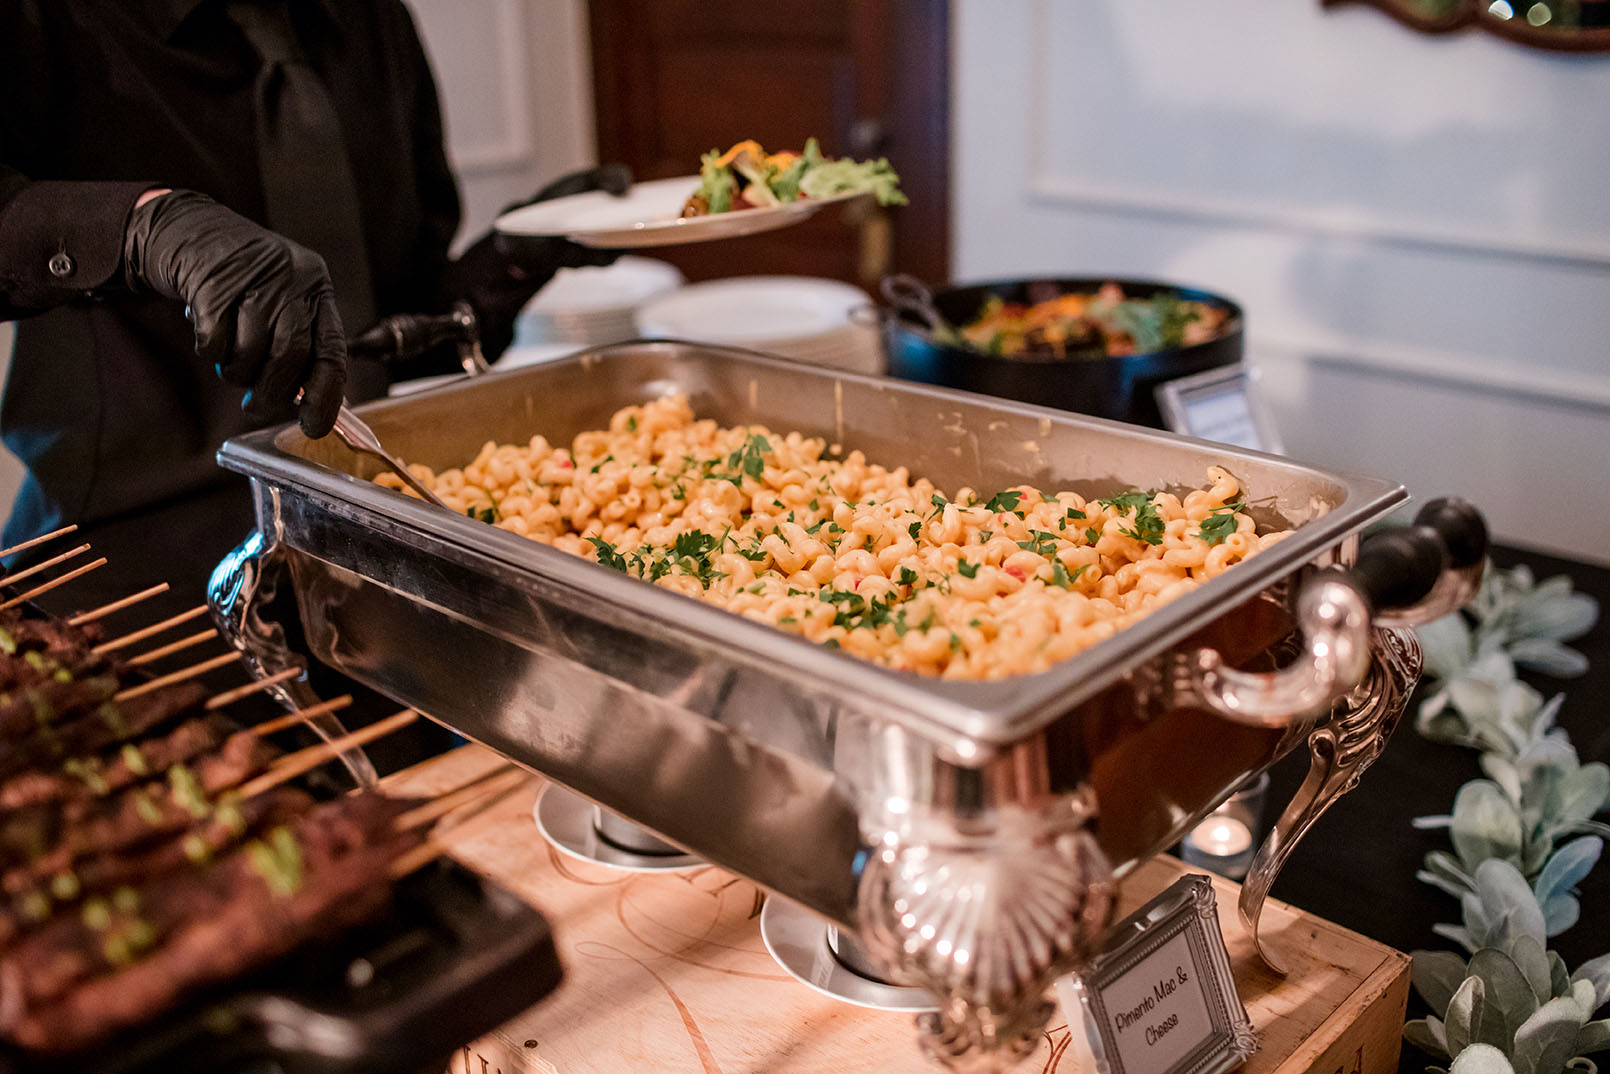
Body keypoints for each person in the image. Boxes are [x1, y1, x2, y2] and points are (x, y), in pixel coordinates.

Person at [0, 0, 625, 768]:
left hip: (368, 585)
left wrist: (504, 266)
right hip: (131, 585)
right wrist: (140, 226)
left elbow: (384, 327)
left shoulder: (372, 22)